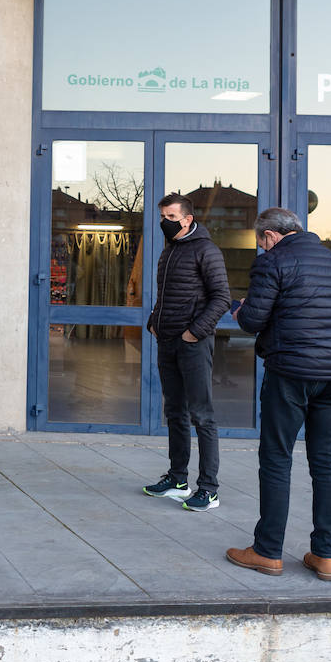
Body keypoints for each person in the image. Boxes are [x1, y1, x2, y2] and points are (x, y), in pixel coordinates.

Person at [227, 207, 331, 581]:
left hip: (291, 373)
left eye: (261, 243)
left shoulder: (273, 263)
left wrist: (240, 311)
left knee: (276, 459)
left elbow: (253, 321)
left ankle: (267, 551)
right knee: (326, 463)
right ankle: (325, 555)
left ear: (269, 236)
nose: (262, 249)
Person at [141, 193, 232, 512]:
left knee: (202, 415)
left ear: (187, 219)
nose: (164, 222)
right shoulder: (169, 251)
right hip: (166, 341)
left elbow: (222, 298)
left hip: (193, 343)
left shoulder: (206, 250)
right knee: (174, 412)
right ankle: (178, 479)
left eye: (170, 216)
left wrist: (194, 332)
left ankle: (209, 488)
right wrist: (154, 321)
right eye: (162, 216)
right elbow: (165, 295)